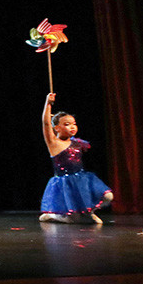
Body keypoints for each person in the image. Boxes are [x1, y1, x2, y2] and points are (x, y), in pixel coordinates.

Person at [40, 93, 112, 224]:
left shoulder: (77, 142)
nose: (72, 127)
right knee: (72, 220)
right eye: (67, 124)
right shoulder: (54, 143)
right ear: (57, 128)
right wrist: (48, 103)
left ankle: (89, 211)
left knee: (108, 196)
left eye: (74, 123)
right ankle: (51, 216)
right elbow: (45, 123)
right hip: (65, 183)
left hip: (82, 179)